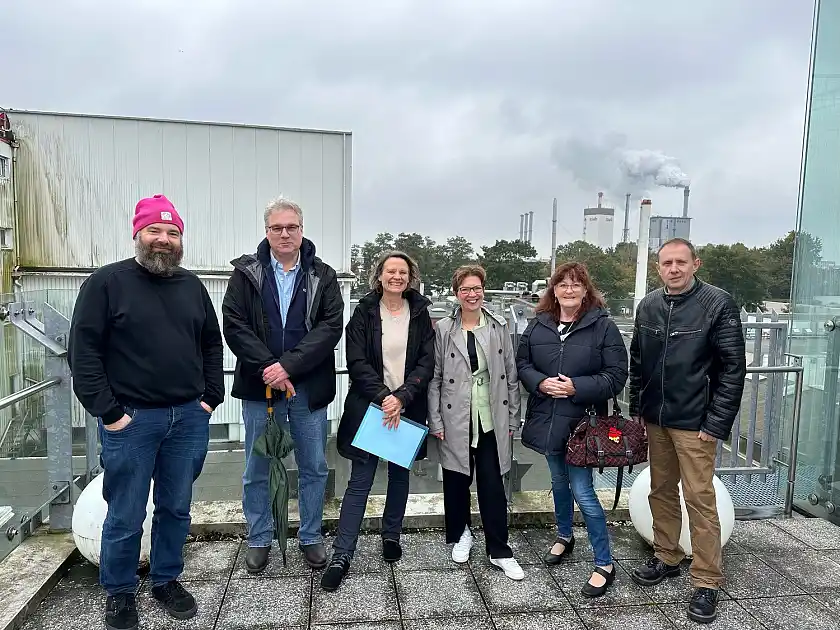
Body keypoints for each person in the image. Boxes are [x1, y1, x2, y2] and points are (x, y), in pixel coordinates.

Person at [68, 194, 224, 630]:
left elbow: (211, 343)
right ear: (137, 234)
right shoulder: (106, 284)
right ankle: (119, 592)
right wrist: (110, 413)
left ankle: (166, 580)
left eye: (172, 232)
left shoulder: (191, 287)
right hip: (132, 421)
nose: (164, 240)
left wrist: (211, 396)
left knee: (176, 507)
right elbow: (83, 354)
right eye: (154, 231)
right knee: (125, 511)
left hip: (188, 418)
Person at [222, 196, 344, 573]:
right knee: (257, 465)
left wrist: (288, 367)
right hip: (261, 389)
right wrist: (271, 368)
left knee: (313, 466)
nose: (285, 233)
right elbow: (234, 325)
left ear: (302, 230)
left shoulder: (323, 275)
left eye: (292, 227)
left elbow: (329, 327)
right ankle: (259, 537)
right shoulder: (246, 273)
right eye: (277, 228)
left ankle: (310, 535)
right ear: (267, 232)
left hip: (308, 389)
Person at [629, 238, 746, 624]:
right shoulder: (648, 305)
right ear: (658, 267)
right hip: (656, 418)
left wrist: (716, 423)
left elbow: (732, 369)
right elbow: (638, 362)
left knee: (700, 498)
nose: (674, 269)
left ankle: (708, 580)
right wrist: (637, 409)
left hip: (696, 423)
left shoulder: (717, 304)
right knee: (660, 490)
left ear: (695, 264)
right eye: (666, 263)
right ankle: (667, 556)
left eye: (681, 262)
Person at [320, 251, 435, 591]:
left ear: (409, 277)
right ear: (380, 276)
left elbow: (427, 362)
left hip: (408, 405)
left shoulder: (421, 312)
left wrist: (402, 397)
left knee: (400, 477)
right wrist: (386, 397)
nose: (396, 277)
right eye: (390, 271)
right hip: (371, 407)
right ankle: (343, 553)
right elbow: (355, 361)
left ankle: (391, 535)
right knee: (361, 481)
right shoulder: (364, 311)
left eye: (402, 272)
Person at [516, 262, 627, 598]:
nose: (568, 290)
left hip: (583, 426)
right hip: (548, 421)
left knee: (584, 492)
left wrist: (575, 387)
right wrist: (541, 383)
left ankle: (604, 563)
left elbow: (616, 376)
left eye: (575, 284)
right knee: (557, 482)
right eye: (562, 284)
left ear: (585, 290)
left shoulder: (603, 327)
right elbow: (522, 364)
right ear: (553, 290)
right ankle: (564, 535)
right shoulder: (539, 325)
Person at [427, 265, 524, 580]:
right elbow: (435, 378)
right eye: (465, 289)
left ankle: (499, 549)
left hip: (490, 415)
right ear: (456, 294)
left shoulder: (498, 326)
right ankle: (461, 533)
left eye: (476, 288)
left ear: (484, 290)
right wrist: (436, 419)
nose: (472, 294)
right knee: (456, 480)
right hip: (456, 414)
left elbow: (510, 375)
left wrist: (513, 418)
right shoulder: (443, 329)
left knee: (492, 482)